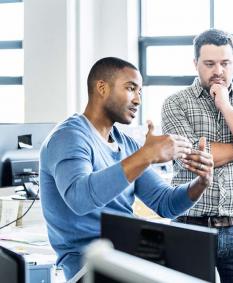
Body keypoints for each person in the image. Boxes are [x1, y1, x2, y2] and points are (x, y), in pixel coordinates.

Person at [39, 57, 214, 280]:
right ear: (102, 88)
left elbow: (165, 203)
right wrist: (146, 155)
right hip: (89, 266)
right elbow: (80, 199)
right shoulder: (68, 137)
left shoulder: (126, 144)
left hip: (127, 257)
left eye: (140, 92)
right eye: (131, 89)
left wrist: (201, 183)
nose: (138, 100)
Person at [161, 29, 233, 283]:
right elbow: (190, 159)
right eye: (209, 64)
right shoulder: (175, 103)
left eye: (225, 63)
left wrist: (225, 105)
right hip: (189, 227)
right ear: (195, 64)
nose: (218, 71)